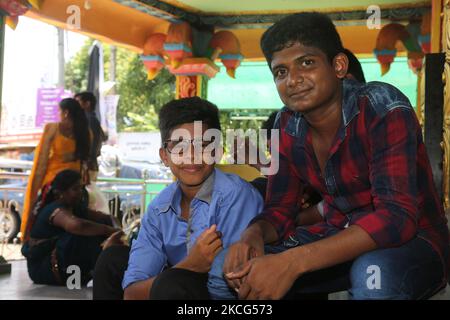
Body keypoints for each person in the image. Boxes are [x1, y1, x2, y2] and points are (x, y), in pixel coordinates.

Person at [223, 12, 450, 300]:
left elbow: (396, 219)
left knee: (373, 276)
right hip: (336, 238)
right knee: (228, 269)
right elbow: (280, 210)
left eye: (306, 63)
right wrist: (251, 235)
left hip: (412, 242)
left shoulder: (382, 107)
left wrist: (294, 261)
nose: (292, 80)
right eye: (280, 72)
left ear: (339, 65)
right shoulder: (287, 124)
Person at [92, 97, 264, 300]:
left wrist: (182, 272)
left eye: (202, 145)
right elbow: (131, 292)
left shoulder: (236, 196)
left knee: (174, 284)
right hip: (177, 285)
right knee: (112, 259)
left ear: (217, 152)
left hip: (227, 295)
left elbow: (238, 284)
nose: (191, 155)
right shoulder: (159, 208)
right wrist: (191, 264)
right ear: (165, 156)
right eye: (179, 146)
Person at [21, 169, 120, 286]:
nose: (81, 192)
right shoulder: (53, 209)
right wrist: (109, 231)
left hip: (62, 266)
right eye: (75, 189)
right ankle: (100, 274)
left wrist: (115, 227)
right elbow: (78, 226)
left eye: (81, 188)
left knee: (95, 229)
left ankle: (109, 273)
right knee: (80, 236)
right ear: (60, 193)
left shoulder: (75, 207)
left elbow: (107, 218)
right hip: (43, 269)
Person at [21, 98, 91, 242]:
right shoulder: (86, 132)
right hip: (75, 185)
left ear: (65, 112)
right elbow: (86, 159)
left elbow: (41, 161)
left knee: (43, 219)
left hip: (54, 184)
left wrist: (35, 188)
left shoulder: (52, 128)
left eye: (59, 111)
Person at [74, 92, 107, 181]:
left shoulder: (89, 120)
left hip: (87, 167)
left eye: (77, 102)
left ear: (87, 104)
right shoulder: (90, 119)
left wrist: (87, 163)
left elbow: (93, 143)